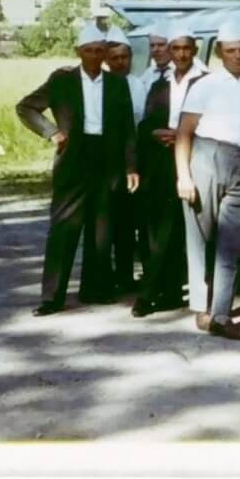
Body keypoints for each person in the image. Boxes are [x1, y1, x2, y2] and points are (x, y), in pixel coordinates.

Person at [16, 23, 138, 316]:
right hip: (73, 159)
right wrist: (51, 132)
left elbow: (127, 129)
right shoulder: (62, 81)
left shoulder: (117, 84)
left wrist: (131, 166)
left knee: (101, 229)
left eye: (99, 51)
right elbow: (26, 107)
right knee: (64, 229)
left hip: (107, 161)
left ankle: (95, 289)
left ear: (105, 53)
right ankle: (52, 297)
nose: (94, 56)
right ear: (78, 52)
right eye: (89, 51)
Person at [175, 18, 240, 340]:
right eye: (232, 51)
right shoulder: (205, 85)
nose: (238, 56)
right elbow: (184, 132)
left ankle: (221, 315)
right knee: (201, 238)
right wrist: (183, 176)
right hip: (205, 158)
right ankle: (201, 307)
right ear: (220, 53)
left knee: (231, 244)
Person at [132, 20, 209, 317]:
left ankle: (155, 294)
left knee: (186, 230)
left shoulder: (206, 82)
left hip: (195, 158)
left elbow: (215, 121)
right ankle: (163, 291)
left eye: (186, 48)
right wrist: (155, 133)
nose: (180, 54)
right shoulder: (159, 84)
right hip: (161, 163)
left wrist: (184, 135)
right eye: (175, 48)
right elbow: (146, 123)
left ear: (194, 50)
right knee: (159, 229)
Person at [104, 26, 147, 292]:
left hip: (135, 161)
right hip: (108, 163)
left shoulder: (140, 85)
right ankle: (106, 277)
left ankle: (126, 275)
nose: (121, 62)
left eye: (124, 57)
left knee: (129, 222)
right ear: (107, 60)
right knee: (106, 223)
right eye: (115, 58)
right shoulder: (102, 86)